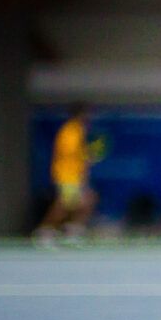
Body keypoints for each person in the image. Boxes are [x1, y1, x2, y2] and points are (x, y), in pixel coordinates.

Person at [36, 103, 97, 243]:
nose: (90, 117)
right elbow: (69, 154)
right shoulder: (70, 131)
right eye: (88, 114)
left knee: (88, 200)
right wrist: (86, 156)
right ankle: (45, 231)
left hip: (75, 176)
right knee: (64, 205)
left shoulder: (79, 131)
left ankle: (73, 231)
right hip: (67, 175)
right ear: (81, 115)